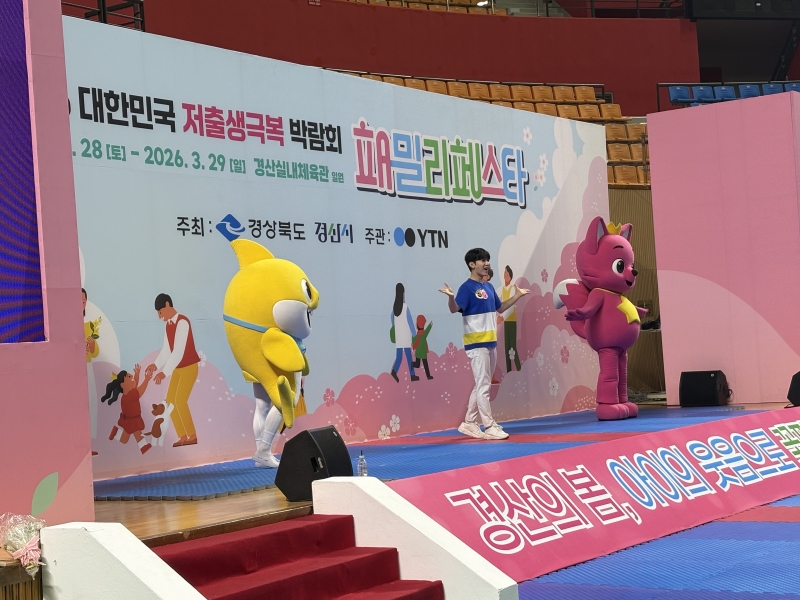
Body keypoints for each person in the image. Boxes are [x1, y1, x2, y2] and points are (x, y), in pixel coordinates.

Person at [439, 248, 529, 440]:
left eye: (487, 260)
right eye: (482, 260)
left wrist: (517, 295)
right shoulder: (466, 288)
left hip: (490, 342)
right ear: (472, 264)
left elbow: (500, 308)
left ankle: (469, 422)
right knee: (483, 385)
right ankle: (489, 426)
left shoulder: (488, 287)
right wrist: (450, 297)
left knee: (483, 383)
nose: (487, 263)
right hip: (476, 343)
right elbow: (455, 309)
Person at [145, 294, 201, 447]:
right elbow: (166, 350)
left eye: (160, 312)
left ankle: (192, 435)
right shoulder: (168, 325)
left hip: (189, 366)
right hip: (178, 368)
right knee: (170, 401)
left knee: (180, 400)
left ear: (167, 305)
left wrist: (164, 373)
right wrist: (155, 365)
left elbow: (178, 351)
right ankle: (182, 435)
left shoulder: (182, 322)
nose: (159, 316)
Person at [103, 365, 153, 455]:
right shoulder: (132, 394)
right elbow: (140, 390)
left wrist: (137, 374)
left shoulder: (126, 394)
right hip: (133, 419)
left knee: (124, 439)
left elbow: (135, 385)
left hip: (128, 419)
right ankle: (143, 446)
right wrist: (146, 380)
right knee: (137, 432)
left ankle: (115, 432)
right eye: (130, 378)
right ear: (122, 384)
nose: (132, 378)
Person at [83, 289, 100, 454]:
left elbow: (95, 352)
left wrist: (92, 346)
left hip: (87, 366)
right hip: (74, 370)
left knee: (92, 400)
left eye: (83, 300)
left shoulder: (89, 326)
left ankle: (89, 444)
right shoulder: (67, 325)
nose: (81, 303)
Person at [390, 283, 419, 383]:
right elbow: (410, 321)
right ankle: (412, 375)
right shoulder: (405, 307)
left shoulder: (395, 308)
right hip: (405, 335)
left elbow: (391, 319)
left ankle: (394, 371)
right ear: (402, 293)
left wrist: (396, 326)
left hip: (399, 335)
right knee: (409, 356)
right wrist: (414, 335)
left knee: (399, 356)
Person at [498, 266, 522, 373]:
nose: (505, 275)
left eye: (507, 274)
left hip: (511, 320)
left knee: (512, 346)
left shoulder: (512, 288)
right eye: (505, 273)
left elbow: (511, 306)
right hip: (506, 322)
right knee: (506, 346)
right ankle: (509, 371)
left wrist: (502, 317)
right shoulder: (503, 289)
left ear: (510, 277)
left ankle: (519, 369)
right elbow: (503, 304)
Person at [412, 315, 434, 380]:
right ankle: (428, 376)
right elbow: (427, 330)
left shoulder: (416, 335)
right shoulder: (424, 334)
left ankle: (411, 364)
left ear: (417, 325)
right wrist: (430, 325)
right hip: (423, 352)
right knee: (425, 364)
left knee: (417, 364)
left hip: (418, 352)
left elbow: (413, 341)